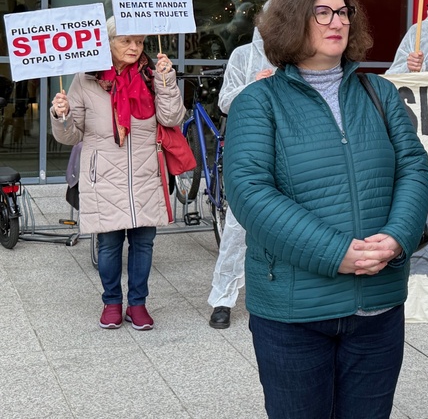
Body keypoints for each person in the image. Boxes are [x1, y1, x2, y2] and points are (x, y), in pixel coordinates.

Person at [224, 0, 428, 419]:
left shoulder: (380, 93)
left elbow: (414, 168)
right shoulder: (258, 102)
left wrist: (398, 237)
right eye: (322, 12)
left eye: (342, 11)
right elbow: (249, 192)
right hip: (293, 313)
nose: (337, 22)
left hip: (377, 304)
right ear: (292, 20)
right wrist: (336, 253)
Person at [51, 17, 183, 330]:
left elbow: (171, 118)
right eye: (126, 41)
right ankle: (111, 301)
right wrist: (61, 114)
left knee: (144, 243)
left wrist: (167, 82)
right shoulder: (86, 78)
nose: (134, 47)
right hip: (104, 175)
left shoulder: (153, 74)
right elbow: (71, 135)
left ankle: (137, 304)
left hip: (145, 173)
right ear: (108, 42)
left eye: (139, 42)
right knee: (109, 244)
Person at [207, 20, 274, 329]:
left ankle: (275, 293)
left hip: (288, 150)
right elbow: (225, 102)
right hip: (249, 151)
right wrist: (253, 86)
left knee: (286, 225)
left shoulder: (301, 56)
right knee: (237, 226)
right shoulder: (243, 56)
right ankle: (223, 299)